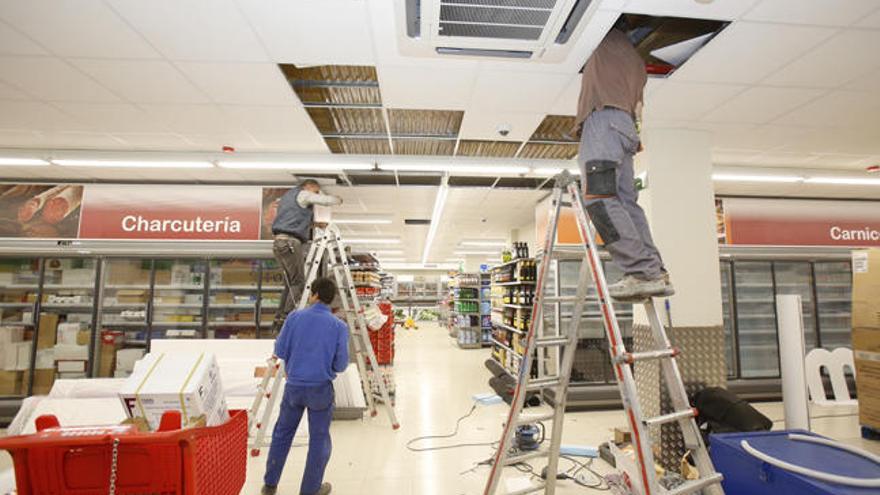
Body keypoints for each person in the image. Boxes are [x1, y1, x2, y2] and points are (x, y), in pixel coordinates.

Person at [575, 18, 674, 300]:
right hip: (625, 130)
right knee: (626, 203)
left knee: (599, 199)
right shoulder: (636, 64)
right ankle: (656, 270)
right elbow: (640, 109)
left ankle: (642, 272)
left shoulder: (603, 40)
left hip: (604, 122)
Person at [263, 277, 349, 495]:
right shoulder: (339, 326)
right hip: (320, 388)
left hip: (294, 387)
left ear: (315, 295)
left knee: (282, 434)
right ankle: (310, 490)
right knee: (319, 439)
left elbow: (280, 351)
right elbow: (340, 365)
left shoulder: (294, 317)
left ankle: (270, 484)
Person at [271, 179, 342, 334]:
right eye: (315, 191)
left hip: (279, 243)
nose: (315, 195)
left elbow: (294, 219)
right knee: (299, 282)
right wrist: (337, 199)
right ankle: (287, 318)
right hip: (290, 243)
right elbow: (324, 200)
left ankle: (279, 318)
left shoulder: (286, 198)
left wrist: (316, 225)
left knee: (290, 283)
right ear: (308, 187)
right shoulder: (302, 194)